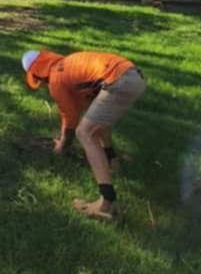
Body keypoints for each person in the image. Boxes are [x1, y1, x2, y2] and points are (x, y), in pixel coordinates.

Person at [22, 48, 146, 222]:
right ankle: (112, 161)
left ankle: (106, 203)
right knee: (96, 124)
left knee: (84, 133)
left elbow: (70, 118)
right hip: (132, 76)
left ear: (37, 74)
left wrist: (62, 146)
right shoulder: (69, 66)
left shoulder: (56, 79)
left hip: (118, 81)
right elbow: (86, 109)